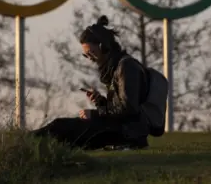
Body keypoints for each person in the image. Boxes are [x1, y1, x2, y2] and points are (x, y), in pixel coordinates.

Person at [31, 15, 150, 150]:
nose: (90, 58)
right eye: (86, 55)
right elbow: (120, 107)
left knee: (60, 127)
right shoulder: (116, 67)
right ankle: (26, 143)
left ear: (103, 46)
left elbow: (129, 108)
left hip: (126, 133)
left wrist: (95, 113)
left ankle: (23, 140)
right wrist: (101, 102)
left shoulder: (126, 67)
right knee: (64, 132)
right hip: (120, 128)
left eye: (91, 53)